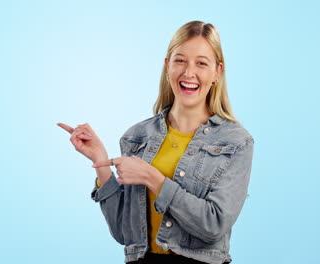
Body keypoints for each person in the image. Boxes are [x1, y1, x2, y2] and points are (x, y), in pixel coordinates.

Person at [57, 21, 254, 264]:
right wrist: (100, 160)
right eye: (180, 60)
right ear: (167, 65)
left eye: (201, 63)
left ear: (217, 72)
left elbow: (214, 225)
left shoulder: (235, 142)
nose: (188, 73)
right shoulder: (137, 136)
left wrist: (153, 178)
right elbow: (123, 233)